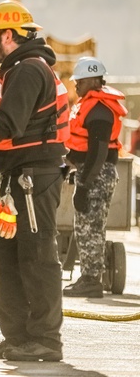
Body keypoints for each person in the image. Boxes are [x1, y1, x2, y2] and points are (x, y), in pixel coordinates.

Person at [0, 0, 69, 363]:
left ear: (7, 35)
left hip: (33, 179)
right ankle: (18, 337)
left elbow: (7, 123)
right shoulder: (20, 70)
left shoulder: (29, 70)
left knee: (37, 254)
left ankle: (44, 339)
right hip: (18, 178)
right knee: (8, 255)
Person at [63, 56, 127, 298]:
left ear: (92, 80)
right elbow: (82, 147)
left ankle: (91, 279)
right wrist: (68, 164)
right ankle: (89, 277)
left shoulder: (99, 110)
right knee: (87, 226)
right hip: (91, 172)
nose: (76, 85)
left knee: (91, 227)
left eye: (79, 81)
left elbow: (98, 151)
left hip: (96, 175)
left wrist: (85, 186)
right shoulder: (90, 106)